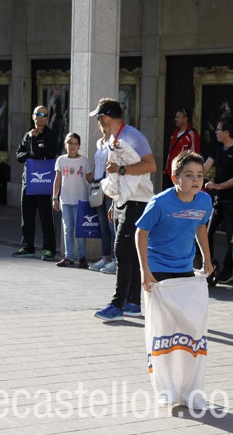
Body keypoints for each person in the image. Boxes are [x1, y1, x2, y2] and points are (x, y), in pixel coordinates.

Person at [136, 150, 213, 408]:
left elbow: (200, 227)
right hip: (158, 272)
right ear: (175, 178)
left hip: (185, 272)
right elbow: (141, 233)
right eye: (189, 175)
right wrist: (145, 271)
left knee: (190, 330)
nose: (196, 180)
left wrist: (207, 258)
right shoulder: (160, 203)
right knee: (163, 333)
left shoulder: (204, 201)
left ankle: (191, 391)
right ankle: (165, 389)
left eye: (200, 175)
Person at [90, 98, 157, 322]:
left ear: (105, 117)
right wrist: (115, 201)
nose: (98, 123)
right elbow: (117, 176)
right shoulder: (114, 138)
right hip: (125, 200)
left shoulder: (132, 136)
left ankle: (117, 304)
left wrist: (121, 169)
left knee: (121, 251)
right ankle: (133, 303)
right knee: (130, 253)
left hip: (138, 201)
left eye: (99, 118)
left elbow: (150, 165)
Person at [204, 117, 233, 284]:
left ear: (227, 133)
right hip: (217, 199)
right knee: (206, 230)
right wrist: (194, 177)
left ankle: (227, 270)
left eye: (218, 130)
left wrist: (219, 186)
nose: (216, 132)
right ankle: (208, 264)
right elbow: (205, 167)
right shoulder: (217, 147)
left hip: (232, 200)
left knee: (232, 236)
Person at [13, 106, 59, 261]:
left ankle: (49, 249)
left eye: (43, 115)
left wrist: (33, 142)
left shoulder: (50, 135)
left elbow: (39, 153)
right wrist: (31, 152)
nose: (40, 117)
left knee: (46, 216)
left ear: (47, 118)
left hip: (43, 181)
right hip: (28, 181)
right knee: (27, 215)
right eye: (38, 114)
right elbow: (19, 155)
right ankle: (27, 246)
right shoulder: (28, 134)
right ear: (33, 116)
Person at [52, 132, 93, 269]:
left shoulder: (84, 161)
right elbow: (58, 179)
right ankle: (68, 256)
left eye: (75, 143)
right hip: (66, 199)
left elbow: (89, 178)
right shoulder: (61, 160)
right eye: (70, 143)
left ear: (79, 146)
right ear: (65, 145)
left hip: (80, 200)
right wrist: (55, 197)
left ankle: (82, 257)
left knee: (80, 230)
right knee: (67, 229)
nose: (72, 146)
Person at [89, 120, 117, 274]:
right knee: (103, 226)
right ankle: (105, 257)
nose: (103, 127)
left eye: (106, 124)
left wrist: (109, 187)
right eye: (101, 124)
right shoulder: (99, 142)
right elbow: (97, 163)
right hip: (98, 186)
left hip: (110, 187)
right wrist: (92, 175)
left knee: (112, 226)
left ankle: (116, 260)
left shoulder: (115, 142)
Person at [163, 107, 200, 189]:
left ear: (185, 119)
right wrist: (167, 169)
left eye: (178, 117)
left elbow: (194, 153)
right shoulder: (175, 134)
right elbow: (170, 152)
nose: (175, 119)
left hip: (183, 172)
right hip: (171, 172)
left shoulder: (192, 134)